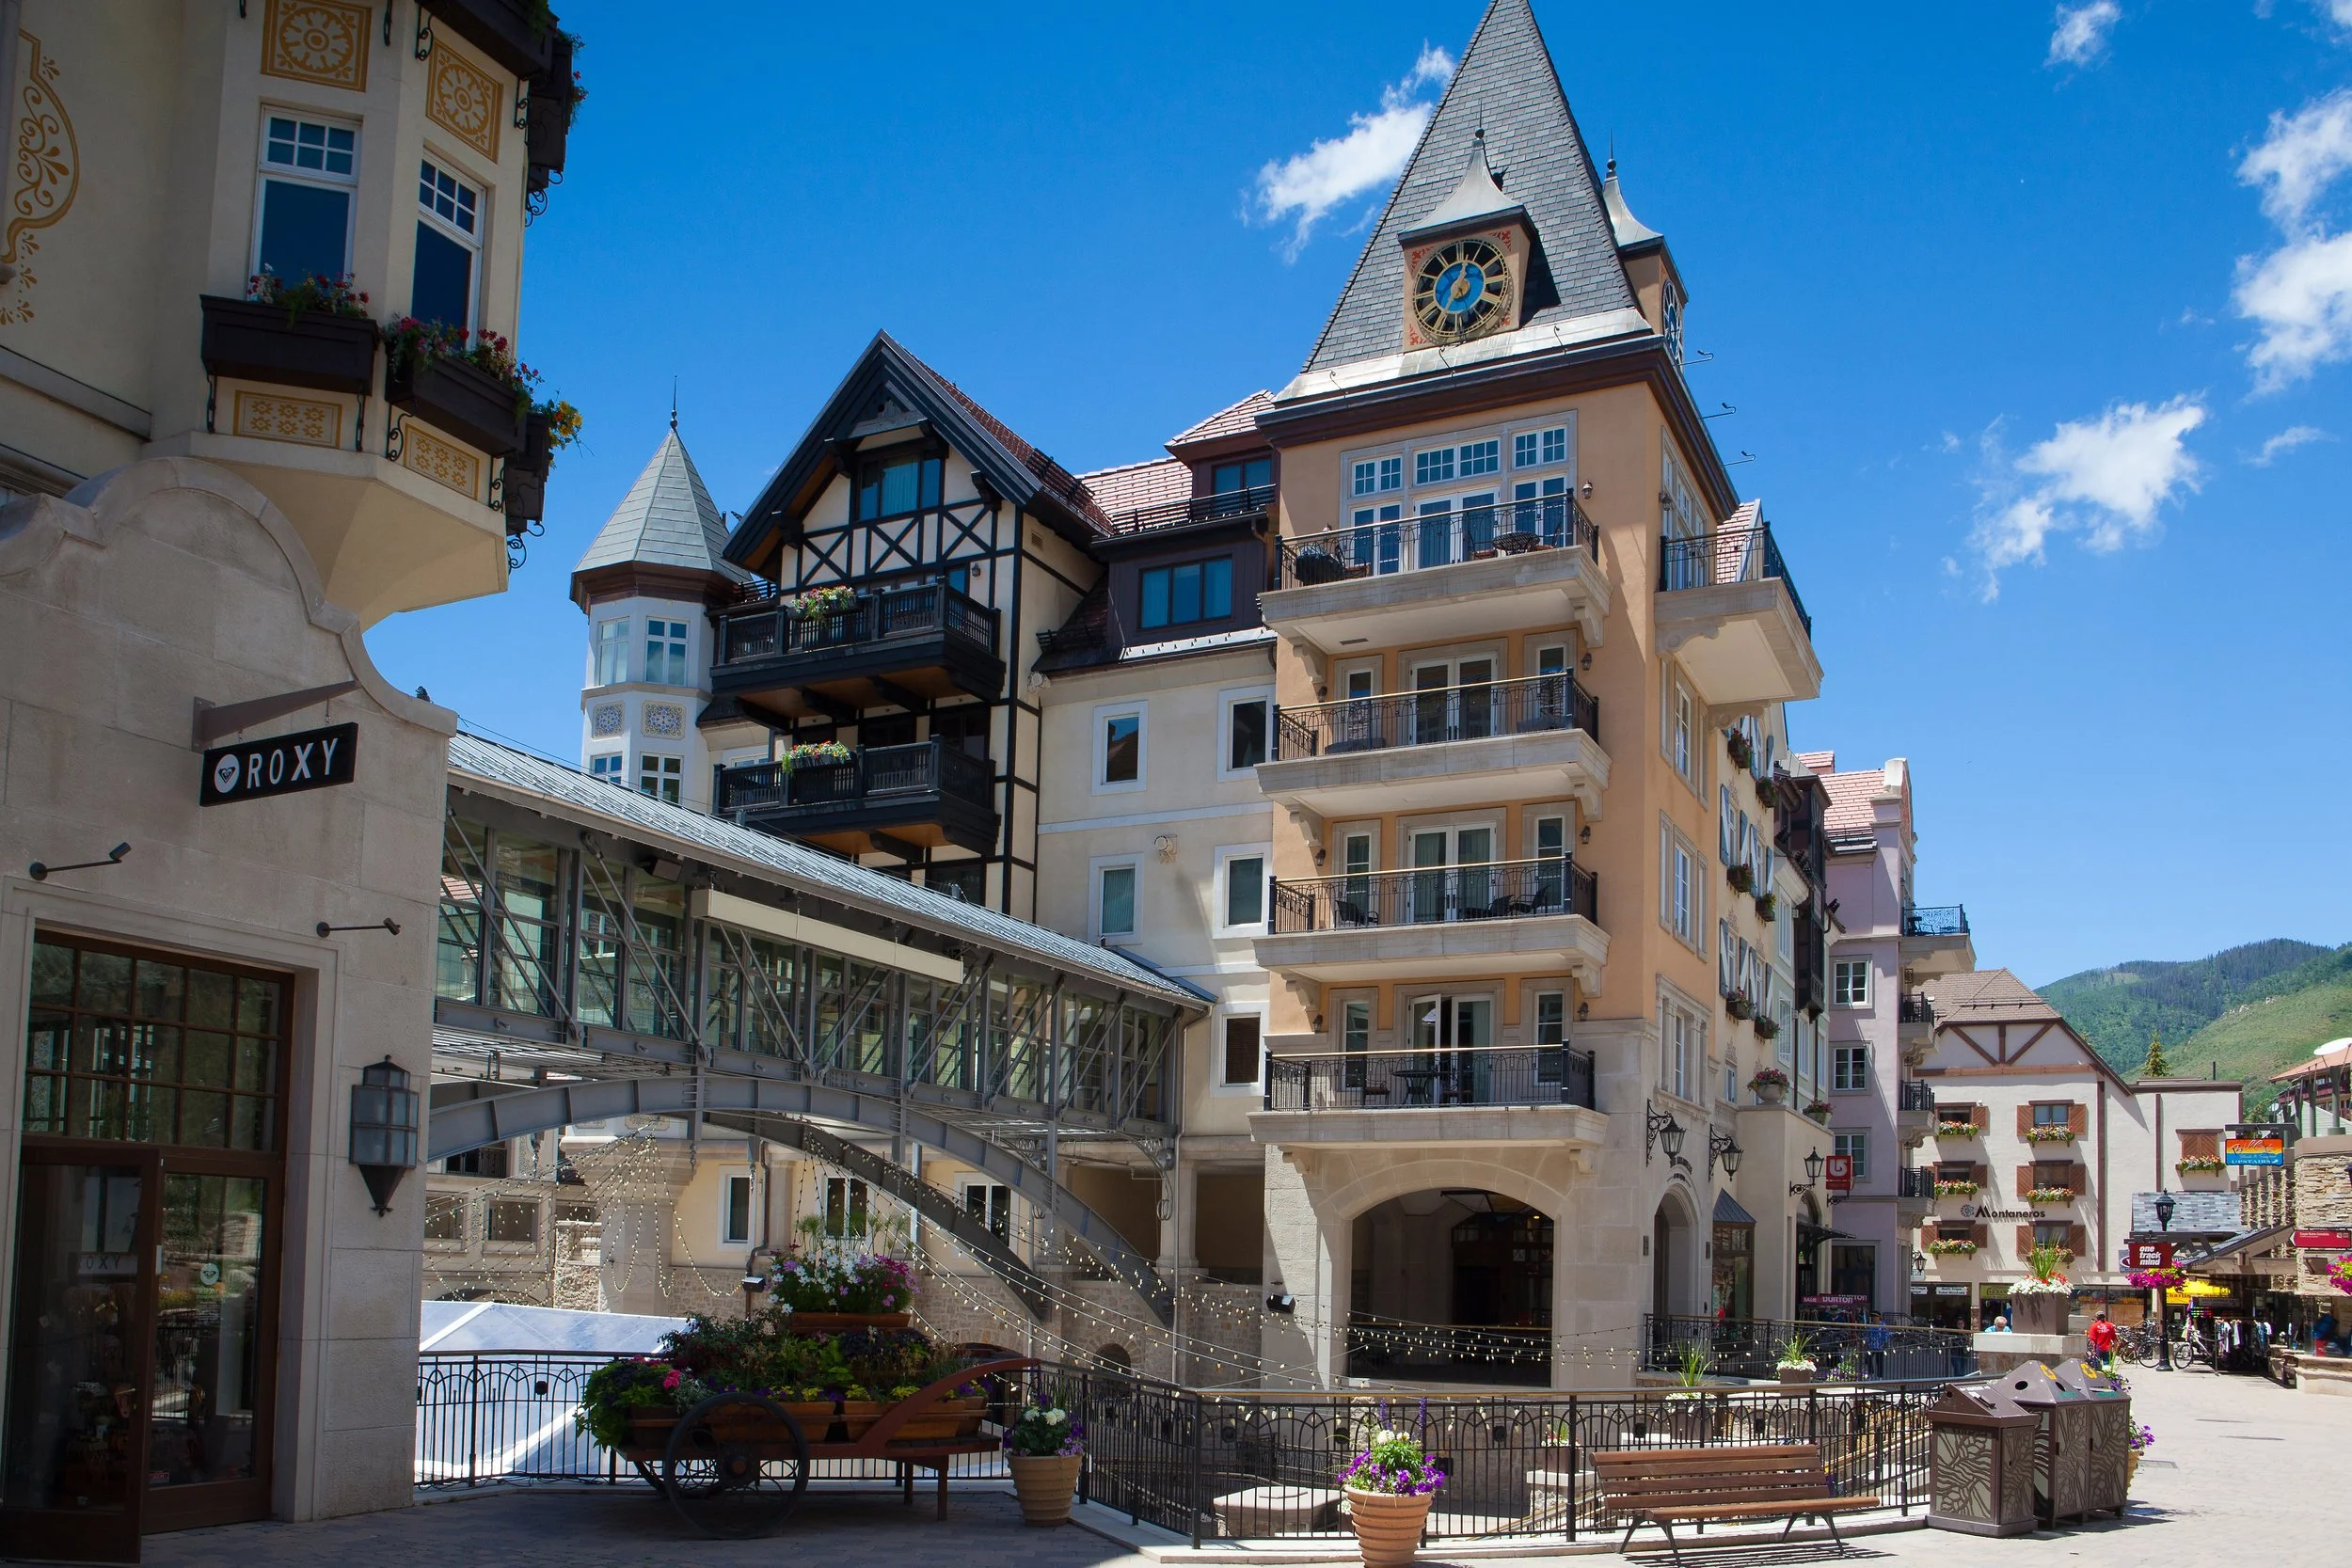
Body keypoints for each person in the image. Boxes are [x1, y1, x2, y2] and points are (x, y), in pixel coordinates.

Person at [1864, 1313, 1891, 1379]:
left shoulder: (1883, 1324)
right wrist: (1866, 1342)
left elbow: (1887, 1334)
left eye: (1875, 1317)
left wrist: (1886, 1343)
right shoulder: (1870, 1325)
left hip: (1880, 1345)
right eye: (1873, 1317)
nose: (1874, 1318)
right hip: (1871, 1345)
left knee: (1879, 1362)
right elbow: (1867, 1334)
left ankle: (1880, 1376)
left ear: (1879, 1317)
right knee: (1868, 1359)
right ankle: (1871, 1374)